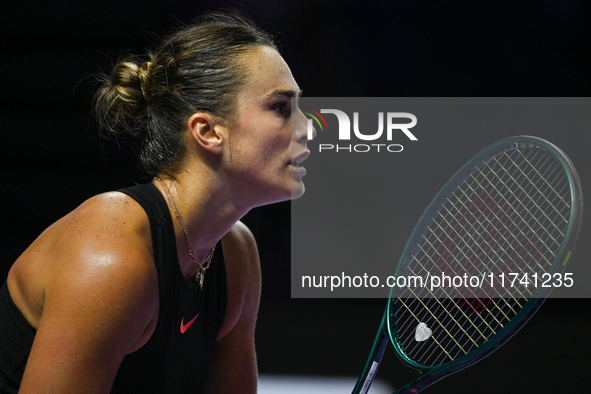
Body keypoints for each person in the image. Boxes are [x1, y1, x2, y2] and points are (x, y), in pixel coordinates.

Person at [0, 12, 312, 394]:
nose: (307, 127)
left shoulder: (236, 256)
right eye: (281, 108)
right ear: (208, 131)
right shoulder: (111, 257)